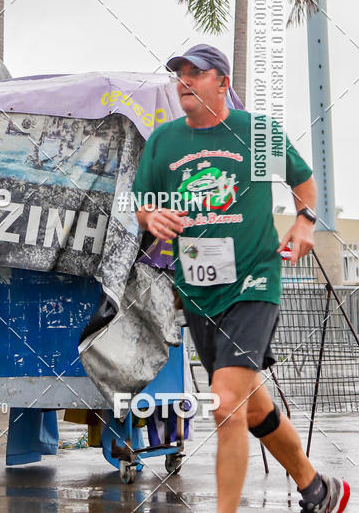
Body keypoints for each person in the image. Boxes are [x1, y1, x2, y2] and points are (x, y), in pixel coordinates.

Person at [132, 44, 350, 513]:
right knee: (249, 405)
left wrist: (305, 221)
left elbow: (304, 181)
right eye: (179, 74)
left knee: (226, 402)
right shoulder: (164, 143)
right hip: (197, 292)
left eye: (196, 73)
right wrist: (151, 217)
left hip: (254, 282)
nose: (184, 81)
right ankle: (317, 488)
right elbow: (142, 202)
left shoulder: (256, 134)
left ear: (223, 83)